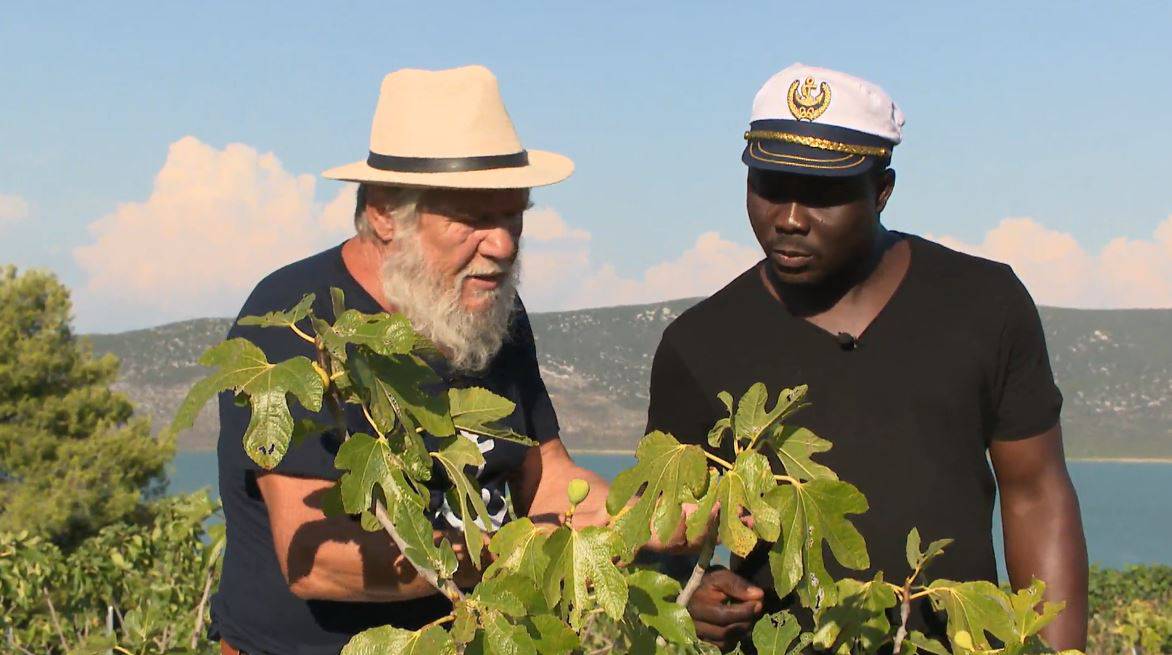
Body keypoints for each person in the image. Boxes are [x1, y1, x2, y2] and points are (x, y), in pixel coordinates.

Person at [646, 64, 1088, 652]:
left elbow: (1037, 494)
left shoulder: (985, 305)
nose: (790, 218)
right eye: (770, 186)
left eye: (824, 194)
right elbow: (663, 532)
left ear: (882, 190)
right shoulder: (697, 344)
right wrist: (688, 597)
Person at [209, 65, 610, 655]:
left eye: (513, 215)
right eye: (473, 217)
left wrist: (641, 513)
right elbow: (315, 561)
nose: (502, 245)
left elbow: (546, 475)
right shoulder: (301, 324)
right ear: (384, 213)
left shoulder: (493, 312)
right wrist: (514, 552)